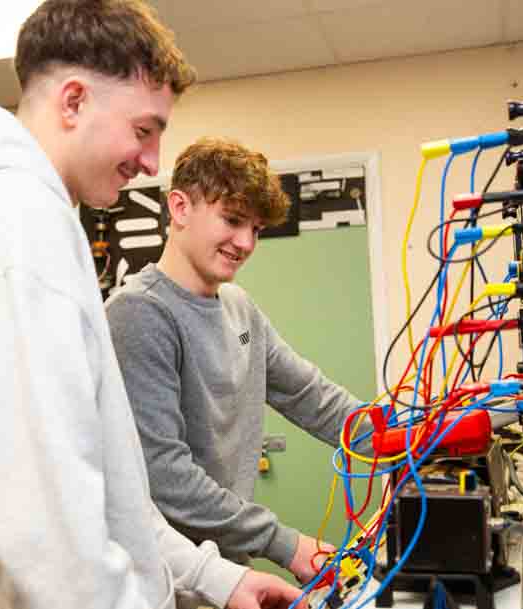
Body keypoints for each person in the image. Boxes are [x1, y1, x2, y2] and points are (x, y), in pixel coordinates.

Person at [0, 3, 305, 609]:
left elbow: (107, 494)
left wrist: (221, 578)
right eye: (143, 130)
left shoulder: (35, 221)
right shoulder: (11, 231)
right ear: (74, 101)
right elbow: (38, 538)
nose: (154, 162)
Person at [106, 137, 373, 584]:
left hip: (230, 567)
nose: (245, 242)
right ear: (180, 207)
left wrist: (410, 439)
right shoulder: (139, 313)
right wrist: (286, 544)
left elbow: (311, 396)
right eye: (232, 220)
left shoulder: (238, 307)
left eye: (256, 229)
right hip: (169, 580)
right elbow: (165, 475)